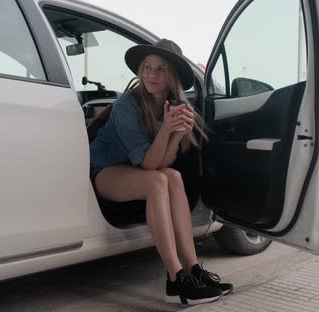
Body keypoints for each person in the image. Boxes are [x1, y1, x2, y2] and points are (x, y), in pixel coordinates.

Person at [89, 39, 233, 305]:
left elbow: (164, 163)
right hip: (104, 171)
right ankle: (175, 275)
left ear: (173, 76)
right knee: (157, 181)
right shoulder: (126, 105)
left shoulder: (173, 106)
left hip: (136, 170)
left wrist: (178, 136)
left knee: (173, 177)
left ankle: (193, 269)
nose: (151, 75)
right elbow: (148, 165)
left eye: (160, 69)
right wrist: (166, 130)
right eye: (147, 67)